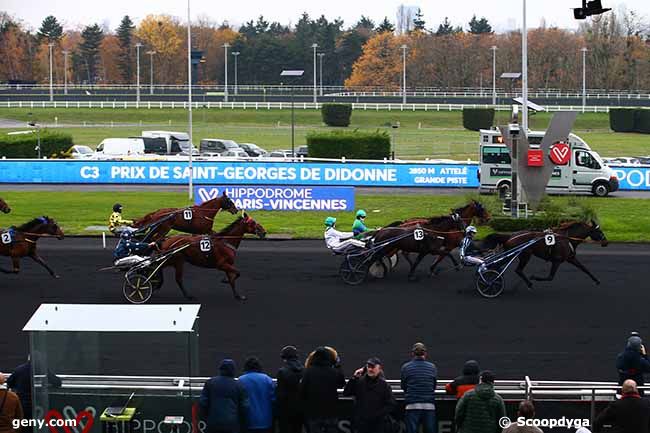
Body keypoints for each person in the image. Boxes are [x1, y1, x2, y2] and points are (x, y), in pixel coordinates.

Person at [343, 357, 396, 433]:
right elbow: (346, 393)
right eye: (368, 367)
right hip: (362, 423)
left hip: (378, 424)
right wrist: (354, 378)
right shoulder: (359, 382)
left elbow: (391, 404)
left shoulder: (384, 385)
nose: (370, 369)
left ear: (379, 368)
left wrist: (378, 415)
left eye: (373, 367)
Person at [299, 346, 346, 433]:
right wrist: (338, 366)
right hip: (331, 411)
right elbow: (342, 383)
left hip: (313, 412)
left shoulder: (308, 372)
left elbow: (302, 390)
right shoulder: (334, 372)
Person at [199, 359, 249, 433]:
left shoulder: (210, 383)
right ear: (233, 370)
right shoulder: (239, 385)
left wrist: (206, 418)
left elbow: (203, 403)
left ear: (220, 369)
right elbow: (245, 406)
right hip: (232, 424)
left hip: (213, 423)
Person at [7, 356, 61, 421]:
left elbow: (9, 383)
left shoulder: (19, 369)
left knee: (24, 426)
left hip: (22, 404)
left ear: (28, 358)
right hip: (38, 404)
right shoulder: (42, 369)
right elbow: (57, 382)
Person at [400, 342, 438, 433]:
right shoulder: (432, 367)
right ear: (425, 353)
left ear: (413, 354)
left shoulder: (406, 367)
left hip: (412, 405)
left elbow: (403, 386)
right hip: (429, 405)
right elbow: (433, 386)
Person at [238, 357, 275, 433]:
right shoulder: (267, 379)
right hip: (266, 421)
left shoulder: (241, 380)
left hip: (247, 422)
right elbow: (274, 400)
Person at [276, 346, 304, 433]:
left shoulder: (282, 372)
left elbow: (280, 394)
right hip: (300, 409)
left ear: (284, 358)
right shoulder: (305, 371)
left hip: (286, 410)